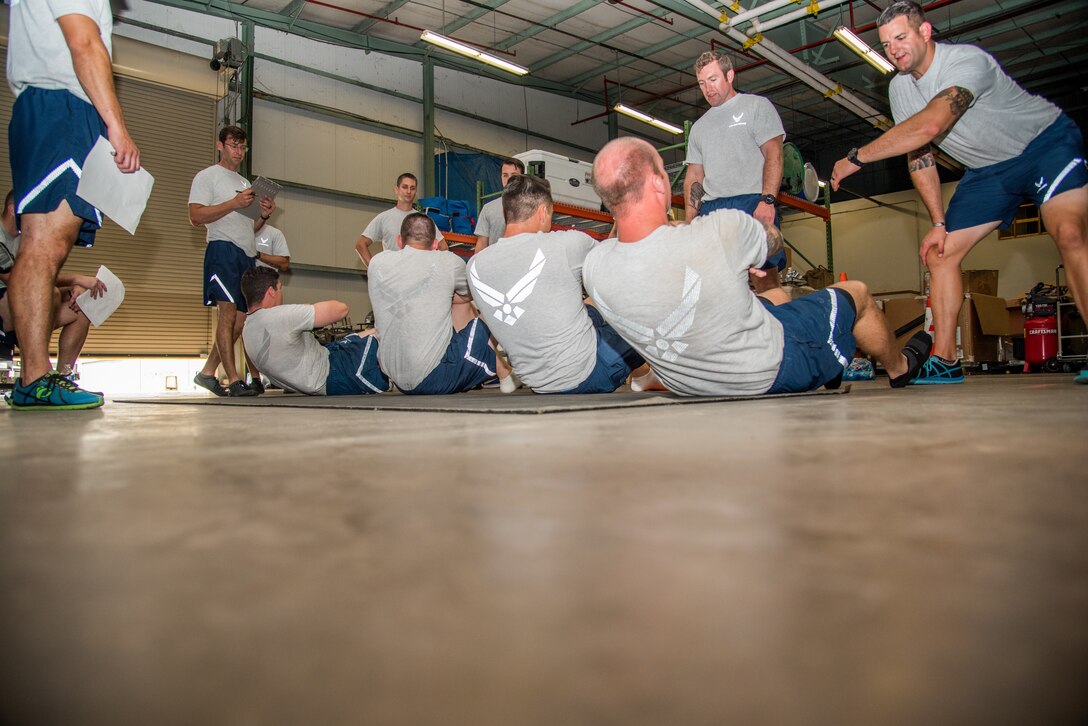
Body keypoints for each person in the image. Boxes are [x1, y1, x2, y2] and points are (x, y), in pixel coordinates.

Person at [830, 1, 1088, 384]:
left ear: (925, 32)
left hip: (1043, 147)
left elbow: (930, 126)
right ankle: (946, 360)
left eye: (901, 37)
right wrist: (937, 221)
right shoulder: (900, 89)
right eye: (886, 44)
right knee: (940, 255)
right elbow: (920, 157)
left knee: (1067, 232)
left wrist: (858, 156)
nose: (894, 49)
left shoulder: (967, 62)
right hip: (987, 172)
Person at [586, 137, 931, 397]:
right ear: (660, 184)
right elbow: (773, 242)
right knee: (855, 293)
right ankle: (900, 368)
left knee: (769, 305)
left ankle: (831, 362)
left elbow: (652, 253)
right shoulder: (722, 230)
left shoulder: (595, 266)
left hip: (691, 385)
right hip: (770, 370)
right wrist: (751, 250)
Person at [4, 0, 139, 410]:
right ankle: (34, 378)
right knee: (43, 246)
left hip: (66, 110)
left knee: (51, 247)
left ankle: (38, 377)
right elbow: (84, 41)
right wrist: (117, 126)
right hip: (60, 107)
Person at [467, 174, 645, 394]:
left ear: (506, 213)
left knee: (589, 308)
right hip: (589, 374)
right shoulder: (566, 244)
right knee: (648, 300)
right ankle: (662, 374)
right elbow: (619, 259)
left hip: (539, 384)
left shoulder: (475, 266)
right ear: (543, 211)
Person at [684, 50, 788, 298]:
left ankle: (778, 331)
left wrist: (768, 200)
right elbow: (695, 175)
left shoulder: (755, 106)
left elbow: (774, 154)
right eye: (701, 83)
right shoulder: (699, 128)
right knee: (714, 283)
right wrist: (689, 220)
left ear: (729, 75)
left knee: (764, 277)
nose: (707, 89)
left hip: (752, 201)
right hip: (713, 209)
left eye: (712, 79)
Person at [368, 212, 508, 394]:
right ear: (435, 243)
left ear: (399, 241)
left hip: (398, 380)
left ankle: (502, 372)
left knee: (452, 301)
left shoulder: (377, 263)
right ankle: (507, 372)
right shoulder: (448, 261)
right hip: (436, 378)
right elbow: (470, 295)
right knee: (499, 302)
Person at [188, 125, 275, 397]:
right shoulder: (207, 177)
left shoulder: (244, 184)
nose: (238, 152)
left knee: (239, 322)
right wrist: (233, 203)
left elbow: (247, 227)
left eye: (242, 147)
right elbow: (195, 216)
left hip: (245, 253)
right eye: (233, 145)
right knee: (226, 315)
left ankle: (206, 373)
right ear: (220, 145)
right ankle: (235, 380)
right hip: (222, 250)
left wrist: (262, 215)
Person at [240, 266, 388, 396]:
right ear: (271, 292)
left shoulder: (246, 330)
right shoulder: (278, 316)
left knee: (373, 331)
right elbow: (341, 309)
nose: (281, 294)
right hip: (334, 373)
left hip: (323, 360)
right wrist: (304, 309)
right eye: (280, 289)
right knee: (389, 335)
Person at [0, 191, 100, 377]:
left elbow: (39, 279)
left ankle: (63, 377)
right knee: (51, 294)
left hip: (18, 304)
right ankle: (33, 375)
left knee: (81, 309)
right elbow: (19, 280)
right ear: (13, 210)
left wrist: (72, 291)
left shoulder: (25, 240)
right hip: (4, 306)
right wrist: (75, 280)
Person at [354, 173, 445, 266]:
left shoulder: (424, 221)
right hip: (392, 276)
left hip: (417, 276)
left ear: (416, 192)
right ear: (396, 190)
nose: (408, 191)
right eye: (405, 187)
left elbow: (443, 247)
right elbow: (361, 244)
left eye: (412, 188)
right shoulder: (383, 218)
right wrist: (374, 270)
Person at [473, 157, 525, 254]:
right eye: (505, 175)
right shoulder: (488, 208)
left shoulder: (532, 206)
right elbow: (481, 244)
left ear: (522, 177)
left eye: (514, 175)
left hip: (523, 263)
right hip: (495, 264)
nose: (509, 179)